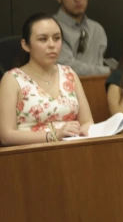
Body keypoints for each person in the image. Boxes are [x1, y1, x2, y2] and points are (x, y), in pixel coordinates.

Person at [0, 13, 94, 146]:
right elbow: (6, 135)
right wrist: (53, 136)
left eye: (57, 38)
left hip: (73, 149)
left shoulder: (69, 74)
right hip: (28, 156)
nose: (52, 45)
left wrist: (83, 131)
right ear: (26, 45)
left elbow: (87, 122)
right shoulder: (12, 79)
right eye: (43, 39)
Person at [52, 0, 111, 75]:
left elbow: (98, 64)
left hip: (97, 87)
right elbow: (66, 67)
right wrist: (110, 71)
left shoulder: (96, 29)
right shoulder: (51, 28)